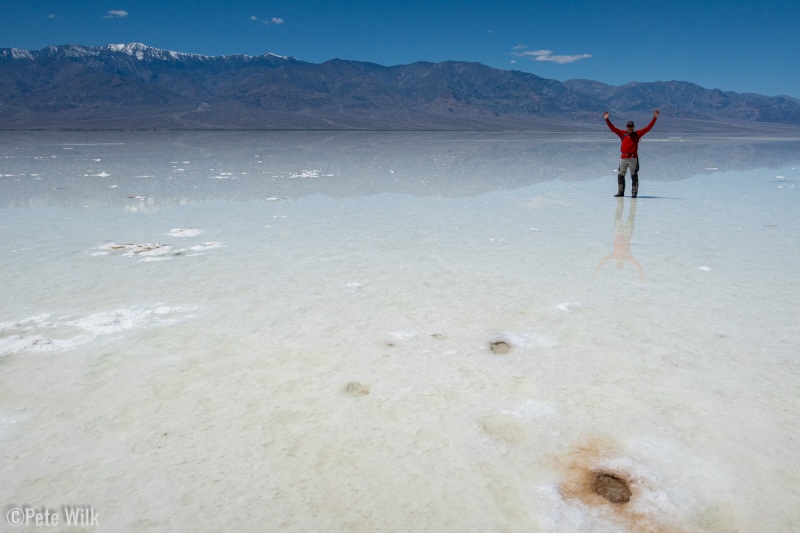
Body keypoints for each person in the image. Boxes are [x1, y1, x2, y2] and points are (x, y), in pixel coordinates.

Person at [604, 109, 659, 198]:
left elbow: (648, 128)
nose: (630, 128)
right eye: (628, 126)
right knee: (621, 175)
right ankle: (620, 192)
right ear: (626, 127)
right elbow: (613, 129)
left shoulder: (637, 134)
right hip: (623, 158)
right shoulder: (622, 134)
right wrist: (607, 119)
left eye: (631, 126)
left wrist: (655, 118)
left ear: (633, 127)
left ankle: (634, 193)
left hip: (633, 159)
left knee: (634, 176)